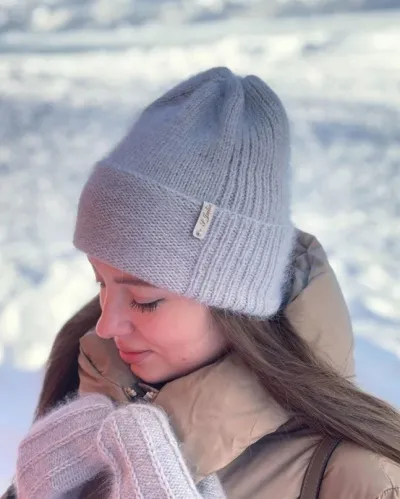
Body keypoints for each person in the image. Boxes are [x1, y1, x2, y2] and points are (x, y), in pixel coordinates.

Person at [4, 67, 400, 498]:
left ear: (235, 306)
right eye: (101, 282)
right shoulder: (83, 409)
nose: (106, 324)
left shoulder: (361, 480)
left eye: (144, 299)